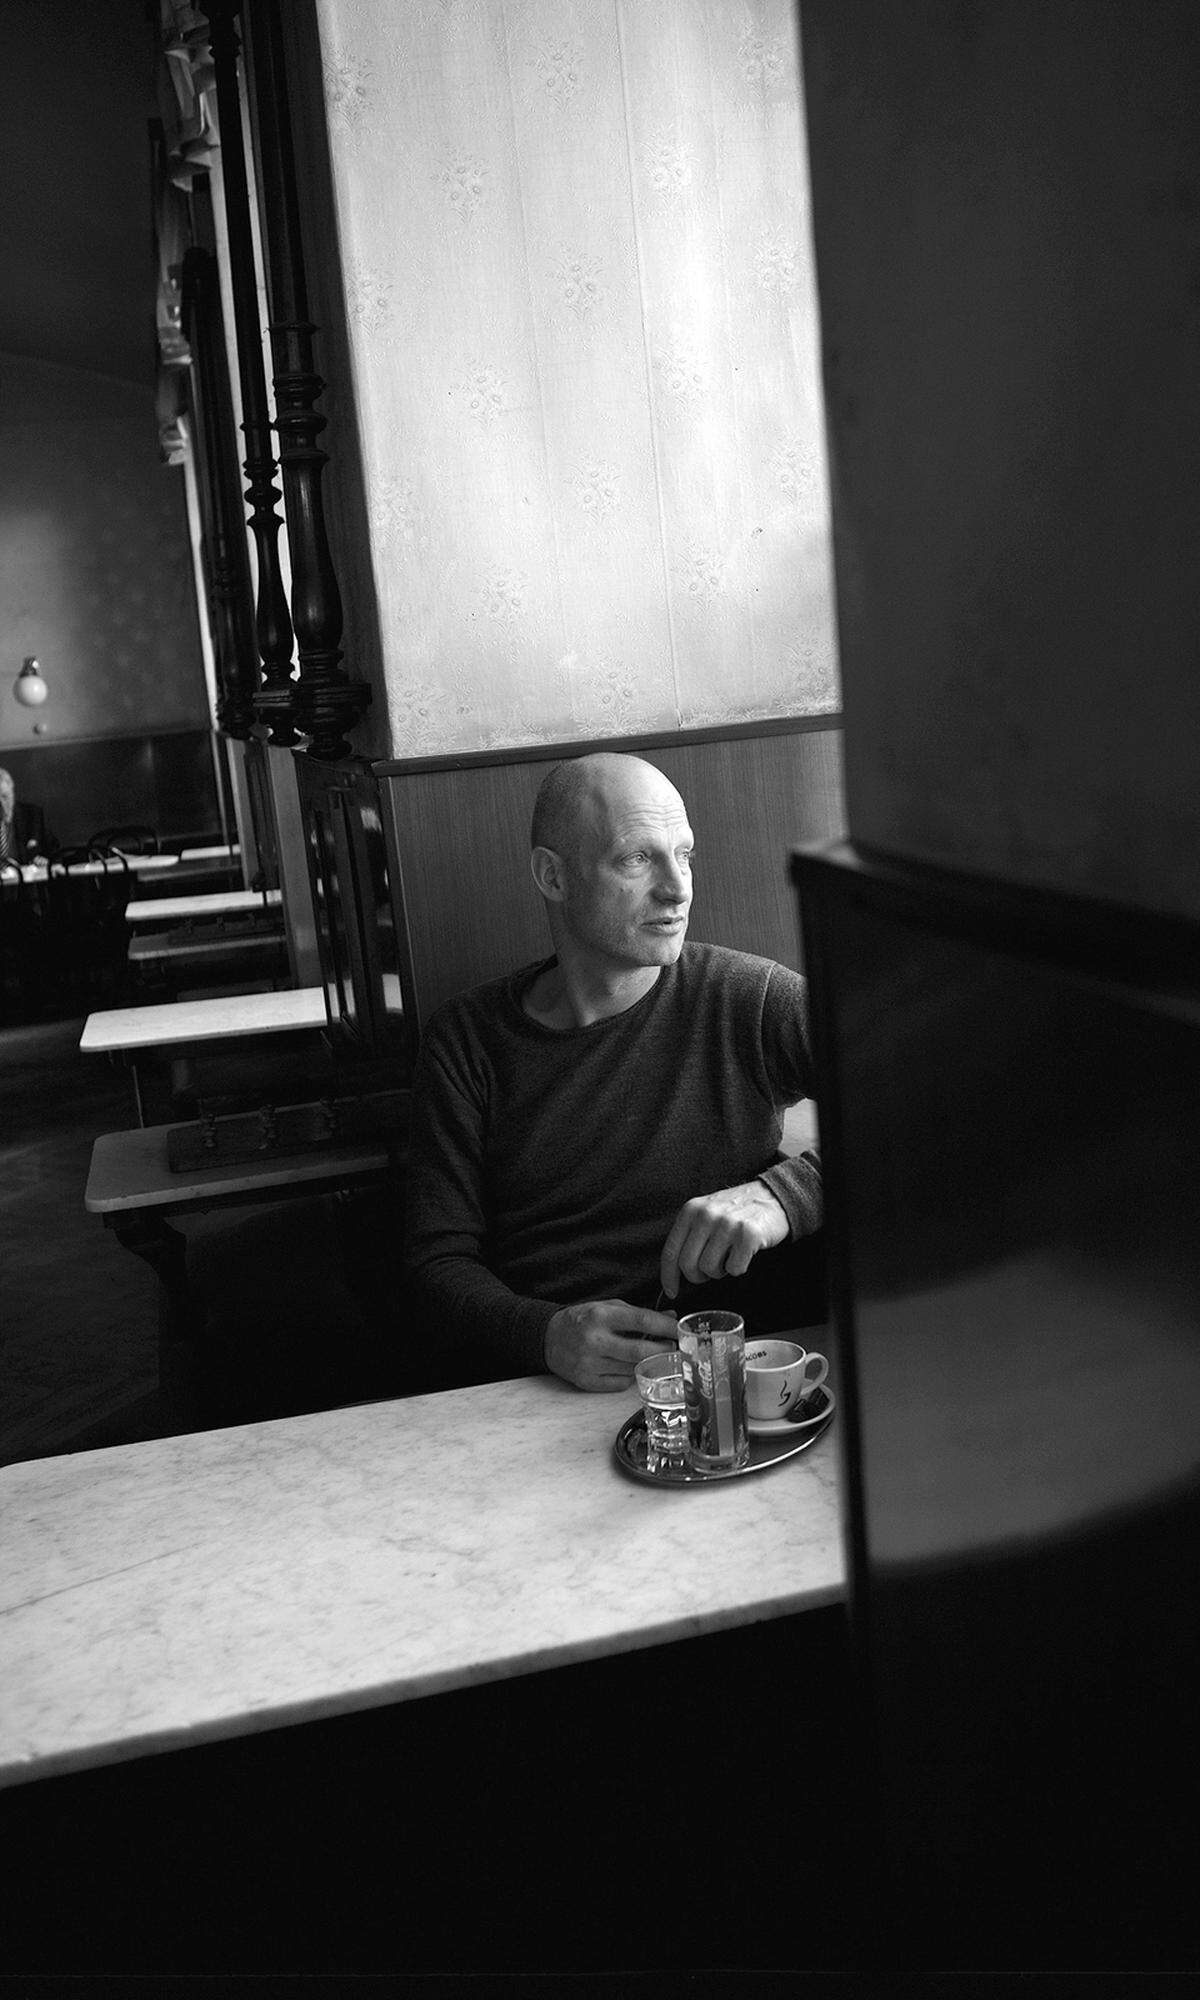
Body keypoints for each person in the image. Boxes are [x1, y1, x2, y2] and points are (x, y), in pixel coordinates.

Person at [404, 752, 825, 1391]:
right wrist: (544, 1335)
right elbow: (434, 1266)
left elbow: (933, 1102)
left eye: (684, 855)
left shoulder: (749, 998)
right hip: (527, 1395)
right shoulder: (466, 1040)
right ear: (553, 875)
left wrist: (779, 1197)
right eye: (637, 859)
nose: (678, 887)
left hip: (723, 1394)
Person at [0, 768, 56, 864]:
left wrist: (44, 859)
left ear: (12, 792)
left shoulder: (31, 814)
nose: (1, 804)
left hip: (25, 874)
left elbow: (53, 848)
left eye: (5, 797)